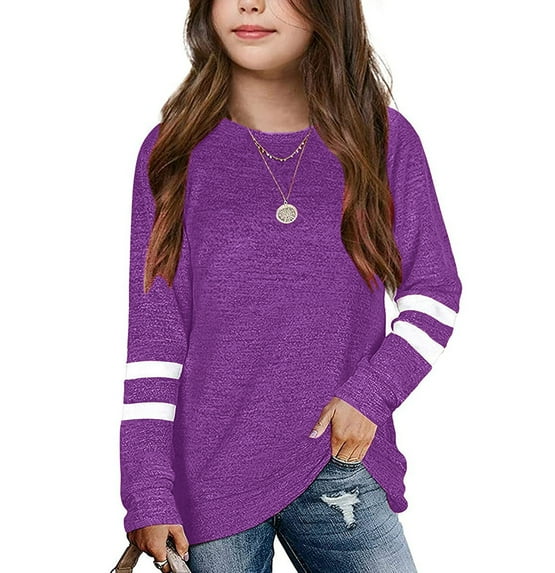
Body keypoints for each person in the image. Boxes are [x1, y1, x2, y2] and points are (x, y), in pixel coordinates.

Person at [118, 0, 462, 572]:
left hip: (339, 459)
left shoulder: (380, 139)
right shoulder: (172, 152)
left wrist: (372, 393)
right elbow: (155, 337)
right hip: (209, 479)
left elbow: (433, 292)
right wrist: (148, 490)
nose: (250, 4)